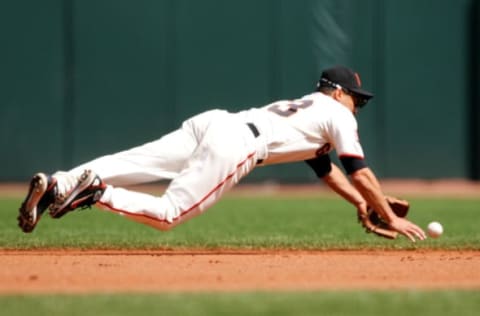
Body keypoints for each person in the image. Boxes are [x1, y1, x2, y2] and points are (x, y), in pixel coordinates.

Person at [18, 65, 427, 242]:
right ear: (338, 92)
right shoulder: (338, 114)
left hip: (215, 122)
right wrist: (387, 214)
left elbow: (325, 168)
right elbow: (358, 170)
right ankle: (95, 192)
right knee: (169, 214)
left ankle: (60, 182)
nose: (359, 105)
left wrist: (361, 205)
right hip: (238, 144)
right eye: (358, 98)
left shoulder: (307, 109)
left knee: (133, 161)